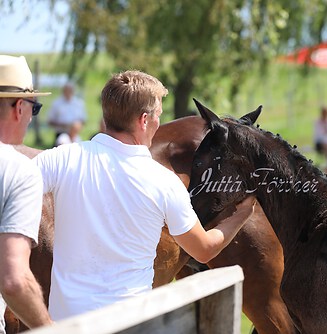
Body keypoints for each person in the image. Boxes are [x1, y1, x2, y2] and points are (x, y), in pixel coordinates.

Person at [33, 70, 255, 321]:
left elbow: (11, 190)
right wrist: (242, 214)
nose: (159, 123)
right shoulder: (164, 183)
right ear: (144, 120)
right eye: (158, 115)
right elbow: (204, 249)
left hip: (67, 324)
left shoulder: (60, 159)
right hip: (129, 322)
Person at [0, 55, 53, 333]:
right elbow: (15, 280)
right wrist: (49, 328)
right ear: (20, 107)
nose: (32, 118)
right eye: (36, 108)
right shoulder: (18, 171)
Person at [47, 81, 86, 146]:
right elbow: (50, 121)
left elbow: (83, 120)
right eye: (67, 90)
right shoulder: (57, 103)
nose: (68, 93)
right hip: (60, 133)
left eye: (70, 90)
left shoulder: (79, 103)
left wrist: (75, 126)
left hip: (74, 135)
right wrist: (62, 125)